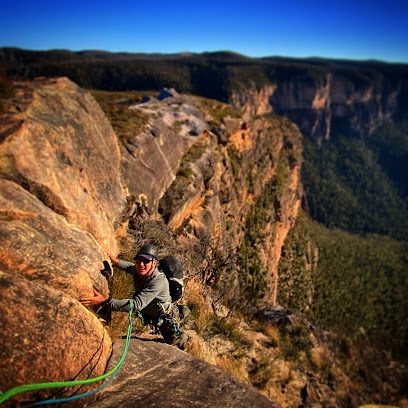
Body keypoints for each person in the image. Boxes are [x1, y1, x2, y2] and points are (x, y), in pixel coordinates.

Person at [80, 244, 188, 349]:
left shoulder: (158, 281)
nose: (141, 264)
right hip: (153, 312)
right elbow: (129, 267)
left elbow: (136, 305)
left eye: (146, 261)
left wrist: (104, 302)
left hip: (165, 315)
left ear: (154, 263)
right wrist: (116, 261)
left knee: (173, 340)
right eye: (138, 260)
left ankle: (189, 343)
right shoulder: (140, 271)